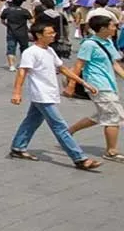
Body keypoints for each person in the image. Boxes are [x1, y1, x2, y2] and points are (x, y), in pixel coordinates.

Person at [9, 21, 101, 170]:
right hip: (41, 94)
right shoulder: (31, 52)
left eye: (53, 33)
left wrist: (83, 83)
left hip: (49, 93)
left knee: (32, 121)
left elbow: (63, 68)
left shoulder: (50, 51)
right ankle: (79, 158)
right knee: (60, 126)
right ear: (39, 35)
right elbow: (22, 72)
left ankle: (18, 147)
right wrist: (17, 92)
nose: (53, 35)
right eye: (49, 33)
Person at [67, 13, 124, 162]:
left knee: (102, 114)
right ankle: (111, 151)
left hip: (109, 83)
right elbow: (79, 65)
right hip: (97, 84)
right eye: (112, 25)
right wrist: (72, 85)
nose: (115, 28)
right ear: (103, 28)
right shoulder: (89, 44)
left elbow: (115, 64)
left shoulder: (108, 42)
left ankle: (69, 131)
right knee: (114, 115)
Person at [1, 0, 32, 72]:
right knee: (24, 48)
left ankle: (11, 65)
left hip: (11, 32)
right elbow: (32, 21)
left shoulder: (7, 10)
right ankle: (23, 64)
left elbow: (2, 21)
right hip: (23, 32)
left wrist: (8, 25)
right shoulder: (24, 11)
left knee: (11, 48)